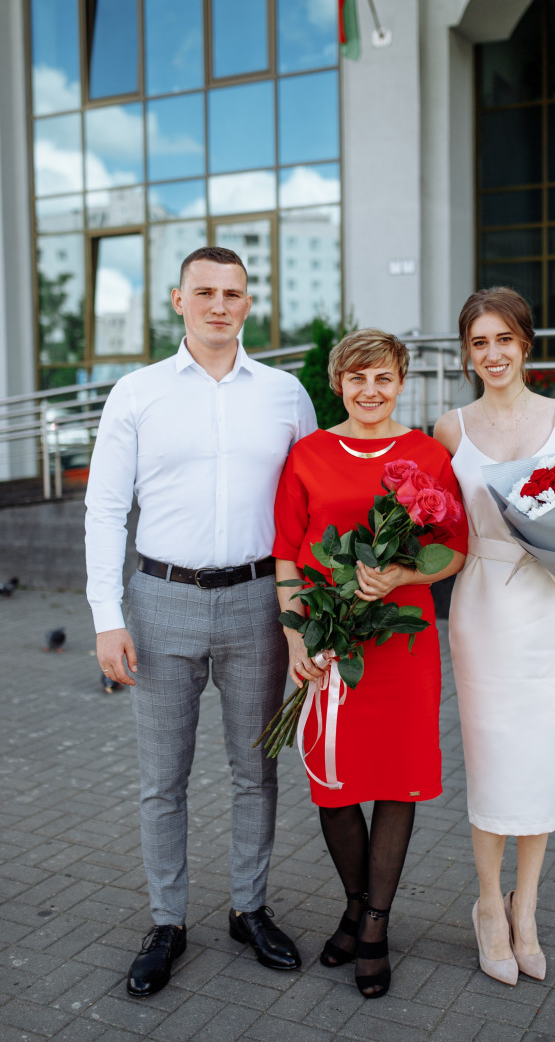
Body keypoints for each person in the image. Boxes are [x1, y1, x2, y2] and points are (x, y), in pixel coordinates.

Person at [85, 246, 317, 997]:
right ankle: (167, 920)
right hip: (160, 602)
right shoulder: (137, 392)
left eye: (235, 293)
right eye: (205, 292)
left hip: (258, 603)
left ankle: (248, 908)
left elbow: (310, 508)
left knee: (257, 771)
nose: (221, 304)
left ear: (249, 303)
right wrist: (104, 615)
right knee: (163, 780)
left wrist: (315, 607)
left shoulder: (285, 395)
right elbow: (105, 508)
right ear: (177, 300)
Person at [272, 329, 467, 999]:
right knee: (332, 784)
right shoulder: (307, 455)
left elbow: (454, 548)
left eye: (382, 377)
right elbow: (288, 554)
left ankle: (374, 925)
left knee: (395, 780)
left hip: (401, 645)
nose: (369, 390)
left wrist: (400, 576)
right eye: (356, 378)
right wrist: (298, 638)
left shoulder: (425, 454)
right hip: (328, 644)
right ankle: (354, 902)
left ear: (401, 381)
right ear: (337, 383)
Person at [434, 287, 555, 986]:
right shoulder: (448, 429)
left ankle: (526, 907)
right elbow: (441, 529)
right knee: (491, 759)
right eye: (478, 342)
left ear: (525, 343)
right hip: (481, 608)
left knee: (542, 757)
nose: (492, 354)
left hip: (553, 610)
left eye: (502, 339)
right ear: (466, 353)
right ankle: (486, 905)